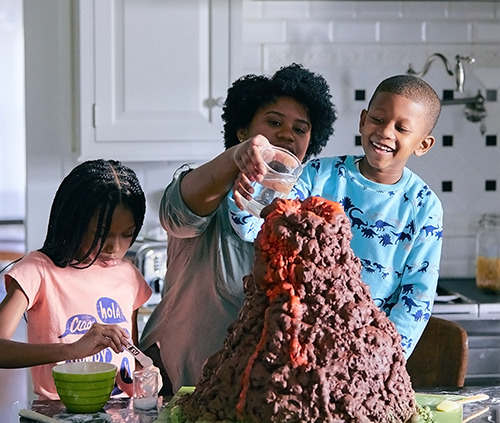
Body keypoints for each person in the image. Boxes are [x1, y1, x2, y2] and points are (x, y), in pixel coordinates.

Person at [139, 63, 337, 394]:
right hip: (179, 380)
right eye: (274, 122)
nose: (287, 134)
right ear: (243, 131)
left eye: (300, 129)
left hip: (258, 389)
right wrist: (235, 160)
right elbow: (176, 214)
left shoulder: (305, 215)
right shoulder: (211, 185)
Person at [231, 74, 443, 358]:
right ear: (363, 120)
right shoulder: (319, 175)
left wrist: (387, 359)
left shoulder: (424, 206)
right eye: (378, 120)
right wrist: (248, 192)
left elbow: (417, 295)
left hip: (369, 350)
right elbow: (253, 228)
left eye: (402, 128)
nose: (385, 132)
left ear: (423, 145)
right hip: (302, 341)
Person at [0, 159, 152, 399]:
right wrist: (71, 349)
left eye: (127, 235)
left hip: (120, 412)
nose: (115, 247)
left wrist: (143, 378)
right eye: (102, 234)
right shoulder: (37, 271)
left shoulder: (129, 275)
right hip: (58, 412)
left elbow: (130, 361)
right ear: (74, 223)